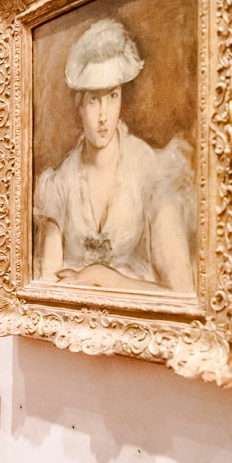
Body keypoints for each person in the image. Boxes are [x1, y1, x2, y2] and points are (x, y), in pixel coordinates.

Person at [34, 18, 195, 292]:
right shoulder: (59, 183)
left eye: (112, 97)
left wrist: (104, 277)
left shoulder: (152, 171)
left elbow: (182, 292)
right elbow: (46, 285)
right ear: (79, 106)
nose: (103, 116)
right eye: (93, 100)